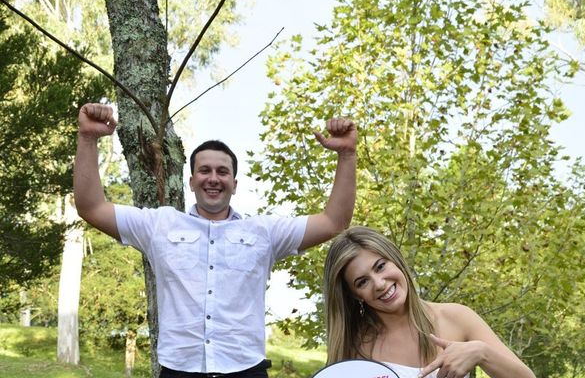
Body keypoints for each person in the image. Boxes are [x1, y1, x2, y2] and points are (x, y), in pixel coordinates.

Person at [73, 103, 357, 378]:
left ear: (234, 184)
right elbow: (92, 208)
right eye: (204, 170)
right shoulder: (159, 224)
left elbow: (334, 222)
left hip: (246, 370)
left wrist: (347, 154)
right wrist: (87, 137)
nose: (213, 178)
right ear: (192, 181)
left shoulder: (264, 232)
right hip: (179, 371)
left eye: (223, 172)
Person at [323, 227, 536, 378]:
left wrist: (481, 353)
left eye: (380, 266)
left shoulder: (456, 318)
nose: (379, 284)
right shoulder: (354, 346)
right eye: (362, 282)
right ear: (355, 295)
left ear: (396, 260)